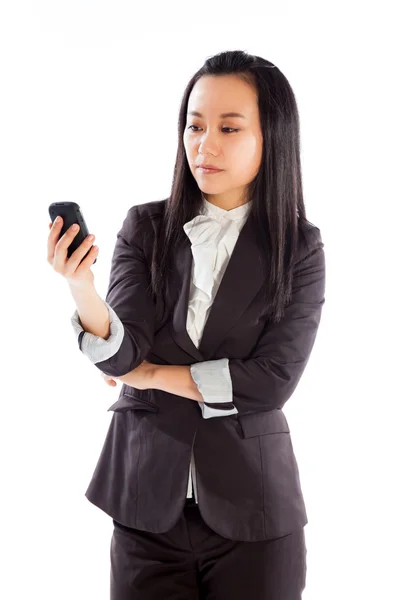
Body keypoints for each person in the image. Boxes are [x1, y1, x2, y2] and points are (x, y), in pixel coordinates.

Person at [47, 49, 326, 600]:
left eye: (229, 127)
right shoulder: (146, 227)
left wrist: (152, 378)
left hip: (256, 512)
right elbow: (123, 355)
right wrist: (81, 287)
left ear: (272, 136)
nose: (205, 143)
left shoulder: (299, 246)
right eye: (195, 125)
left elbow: (272, 381)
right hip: (145, 504)